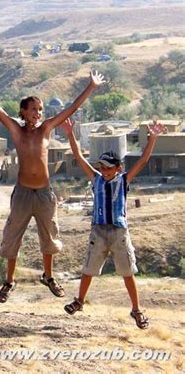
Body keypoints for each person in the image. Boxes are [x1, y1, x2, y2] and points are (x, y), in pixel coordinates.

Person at [0, 67, 104, 302]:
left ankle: (48, 276)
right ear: (23, 111)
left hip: (45, 193)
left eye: (40, 110)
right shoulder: (16, 131)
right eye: (34, 109)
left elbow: (71, 109)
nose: (38, 113)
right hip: (22, 194)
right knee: (13, 237)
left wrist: (91, 86)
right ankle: (9, 281)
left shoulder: (47, 129)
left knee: (49, 236)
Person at [61, 118, 167, 329]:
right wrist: (70, 134)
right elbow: (79, 157)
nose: (105, 170)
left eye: (109, 167)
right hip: (98, 231)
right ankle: (79, 301)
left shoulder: (124, 179)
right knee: (88, 269)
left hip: (119, 231)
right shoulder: (96, 179)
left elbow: (143, 161)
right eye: (102, 167)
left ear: (118, 168)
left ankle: (136, 310)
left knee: (127, 272)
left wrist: (152, 138)